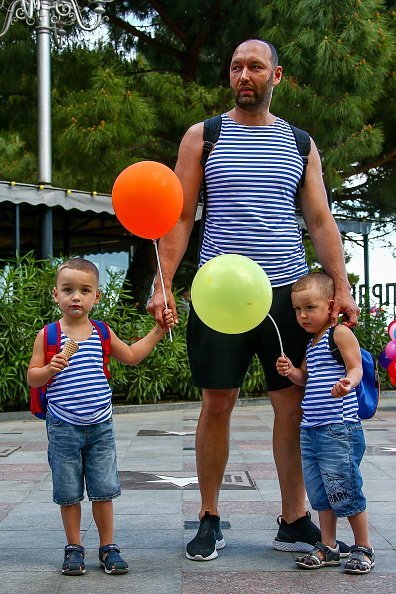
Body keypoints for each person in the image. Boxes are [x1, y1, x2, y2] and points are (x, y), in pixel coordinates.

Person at [147, 38, 359, 561]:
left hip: (285, 295)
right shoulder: (203, 135)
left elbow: (319, 220)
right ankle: (210, 517)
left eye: (255, 67)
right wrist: (163, 281)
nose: (245, 74)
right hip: (218, 294)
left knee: (291, 407)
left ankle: (294, 519)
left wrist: (341, 284)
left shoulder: (301, 142)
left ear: (276, 75)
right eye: (237, 66)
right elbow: (178, 214)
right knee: (216, 403)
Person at [28, 257, 174, 576]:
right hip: (63, 427)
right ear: (56, 295)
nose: (75, 297)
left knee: (103, 490)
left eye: (84, 290)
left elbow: (132, 356)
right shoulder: (48, 335)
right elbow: (32, 378)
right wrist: (47, 369)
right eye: (68, 290)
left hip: (100, 426)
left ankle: (108, 546)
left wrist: (159, 331)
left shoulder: (101, 332)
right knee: (68, 493)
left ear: (98, 296)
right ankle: (73, 547)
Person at [276, 272, 374, 573]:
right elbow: (306, 379)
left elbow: (355, 367)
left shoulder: (339, 334)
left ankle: (363, 547)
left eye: (310, 307)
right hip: (311, 429)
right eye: (297, 309)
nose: (303, 315)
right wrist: (291, 371)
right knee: (320, 492)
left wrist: (348, 382)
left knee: (345, 488)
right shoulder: (312, 343)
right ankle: (328, 546)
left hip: (339, 428)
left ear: (331, 306)